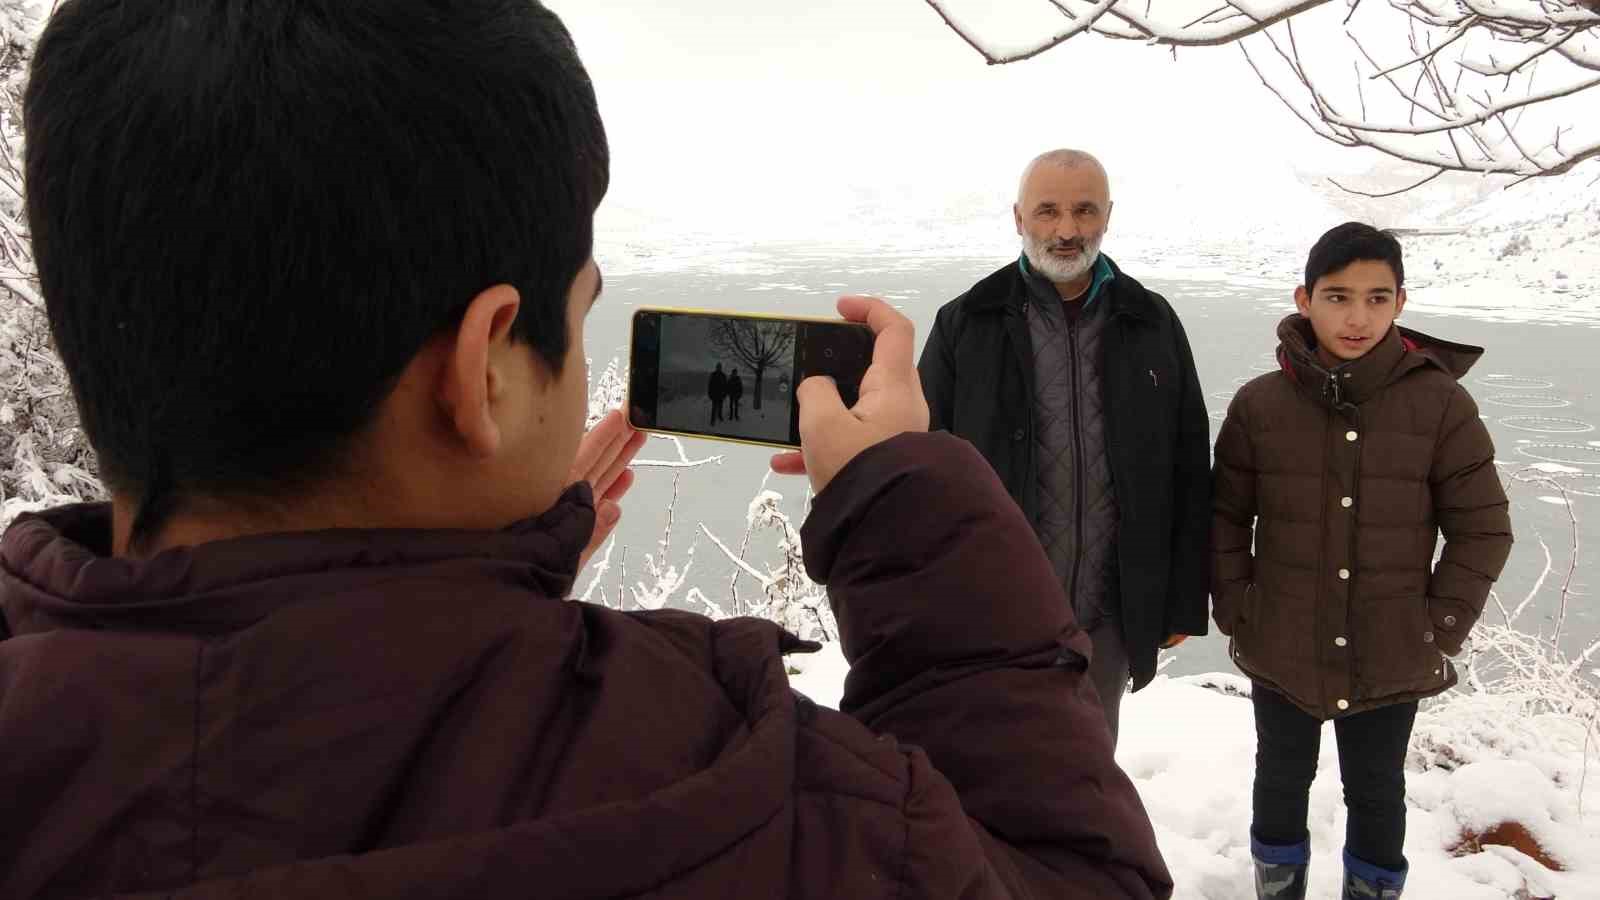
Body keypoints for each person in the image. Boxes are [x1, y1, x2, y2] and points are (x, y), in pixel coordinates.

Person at [0, 3, 1173, 897]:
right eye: (581, 311)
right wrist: (904, 505)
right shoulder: (729, 791)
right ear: (486, 368)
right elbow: (1067, 875)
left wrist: (468, 588)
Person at [1211, 223, 1513, 900]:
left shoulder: (1440, 404)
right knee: (1280, 779)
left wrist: (1438, 626)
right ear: (1305, 299)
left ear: (1400, 302)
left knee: (1376, 791)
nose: (1358, 317)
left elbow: (1483, 528)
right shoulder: (1261, 404)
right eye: (1338, 296)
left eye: (1377, 298)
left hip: (1390, 648)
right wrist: (1238, 607)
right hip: (1281, 641)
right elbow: (1225, 517)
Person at [918, 149, 1210, 744]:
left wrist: (1181, 599)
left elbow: (1187, 466)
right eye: (1048, 211)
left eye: (1085, 210)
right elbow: (922, 467)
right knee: (988, 766)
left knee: (1087, 768)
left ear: (1108, 216)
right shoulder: (967, 322)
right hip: (992, 610)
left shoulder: (1151, 322)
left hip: (1108, 614)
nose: (1067, 229)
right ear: (1018, 218)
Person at [708, 361, 727, 426]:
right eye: (718, 367)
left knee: (720, 407)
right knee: (714, 408)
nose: (719, 368)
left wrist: (725, 394)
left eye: (720, 367)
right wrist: (710, 394)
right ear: (716, 367)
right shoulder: (713, 374)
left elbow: (725, 386)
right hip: (714, 394)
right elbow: (710, 385)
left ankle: (719, 416)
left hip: (721, 394)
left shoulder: (723, 375)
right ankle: (712, 420)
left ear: (721, 368)